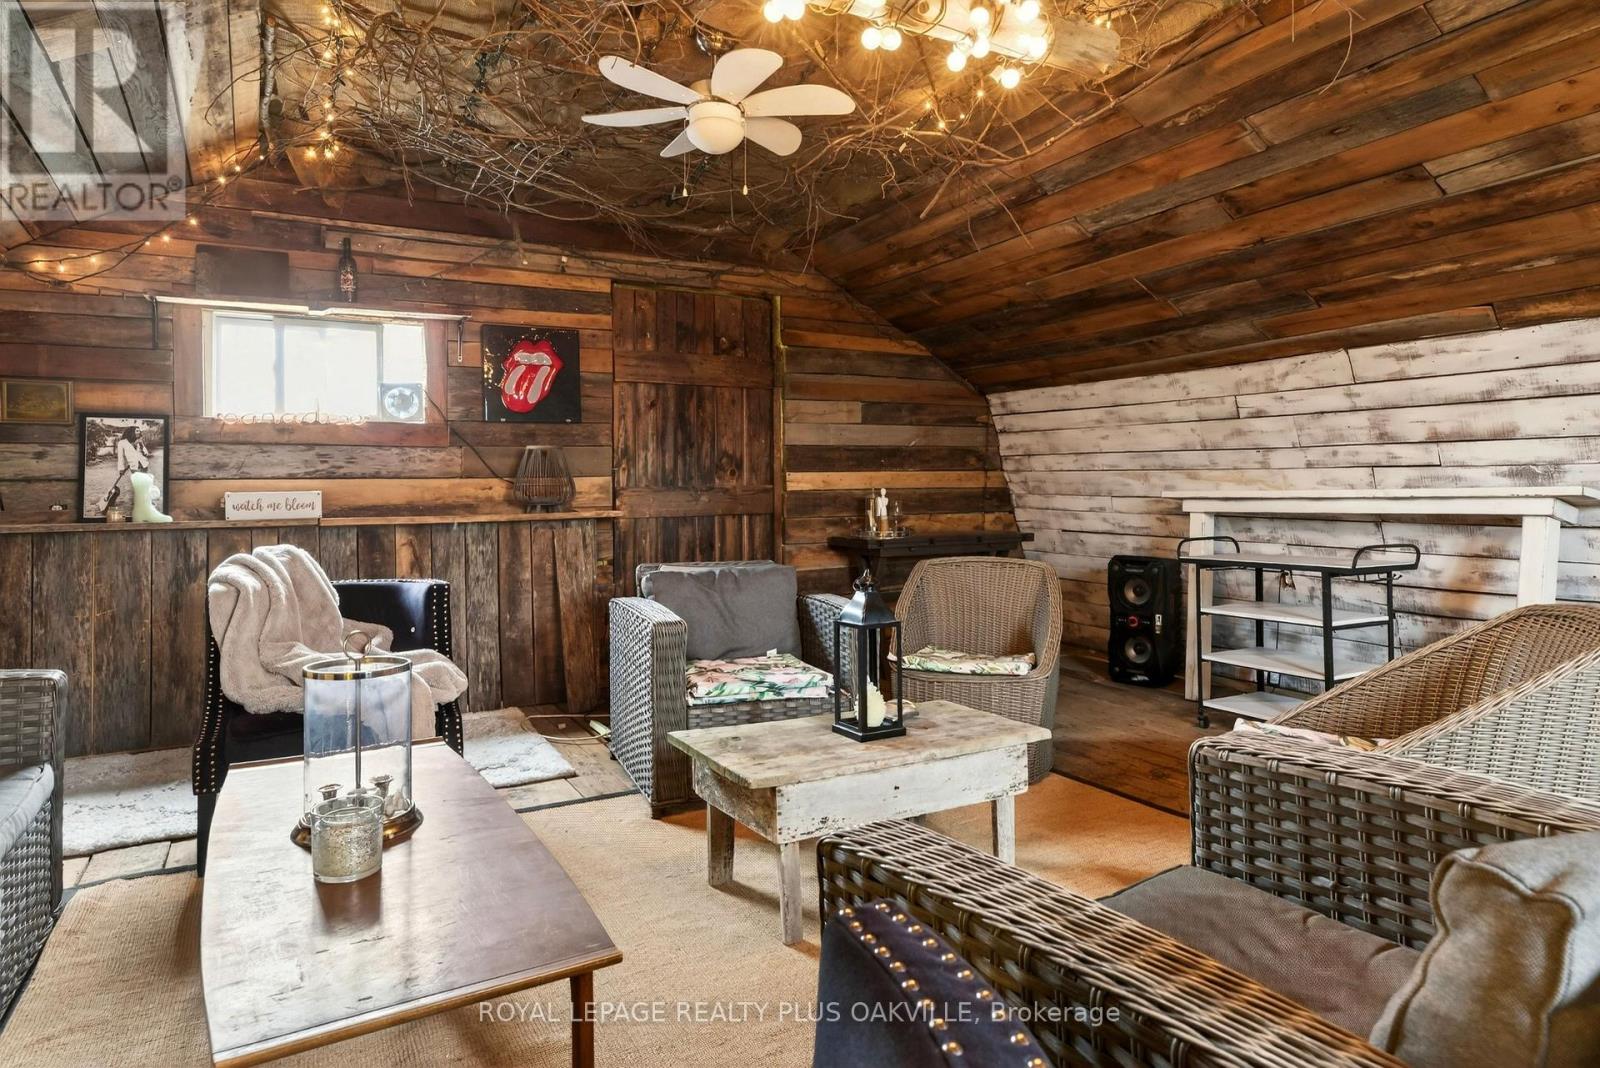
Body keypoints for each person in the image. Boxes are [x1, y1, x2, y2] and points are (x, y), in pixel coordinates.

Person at [97, 424, 151, 512]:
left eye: (139, 431)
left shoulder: (139, 441)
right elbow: (121, 457)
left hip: (144, 465)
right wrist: (121, 468)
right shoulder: (122, 443)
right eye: (137, 431)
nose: (139, 432)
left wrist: (141, 445)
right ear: (131, 432)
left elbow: (146, 453)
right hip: (134, 467)